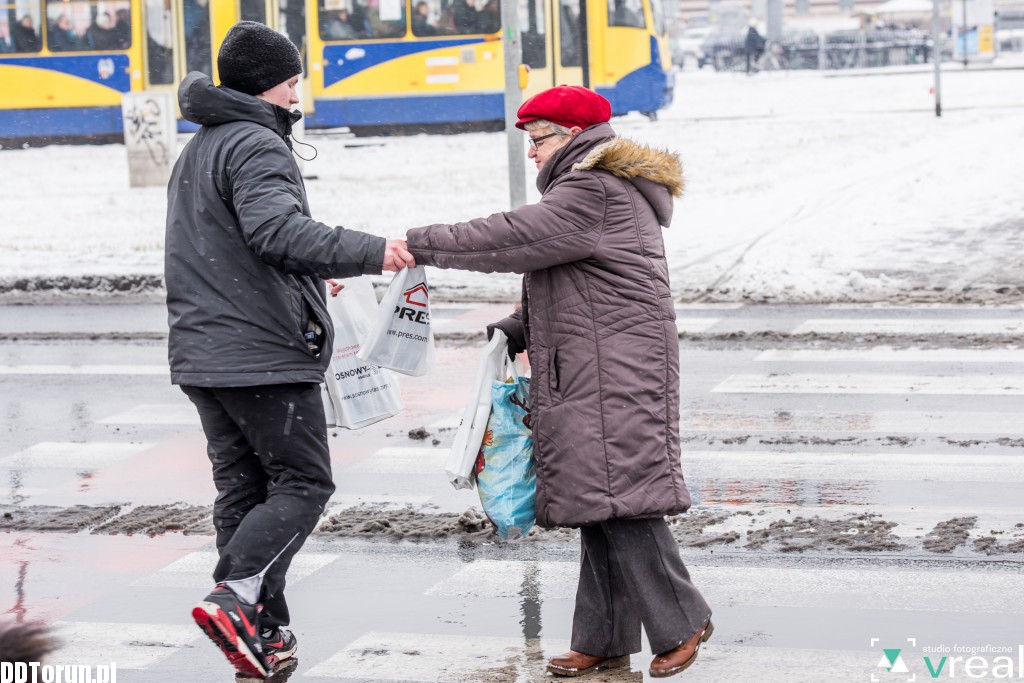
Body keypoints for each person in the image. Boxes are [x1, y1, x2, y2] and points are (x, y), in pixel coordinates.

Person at [405, 85, 712, 679]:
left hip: (613, 368)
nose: (531, 152)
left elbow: (508, 237)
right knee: (600, 501)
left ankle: (683, 618)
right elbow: (587, 282)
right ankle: (602, 638)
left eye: (538, 138)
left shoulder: (592, 190)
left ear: (573, 136)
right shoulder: (599, 190)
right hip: (599, 360)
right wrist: (521, 326)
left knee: (624, 503)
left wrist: (418, 244)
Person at [165, 20, 414, 679]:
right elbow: (275, 231)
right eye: (293, 79)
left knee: (244, 492)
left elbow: (234, 247)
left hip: (205, 353)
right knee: (305, 481)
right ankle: (239, 593)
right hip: (260, 354)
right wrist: (370, 250)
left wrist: (307, 276)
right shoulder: (256, 144)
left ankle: (263, 636)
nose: (298, 92)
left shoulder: (203, 146)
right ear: (271, 84)